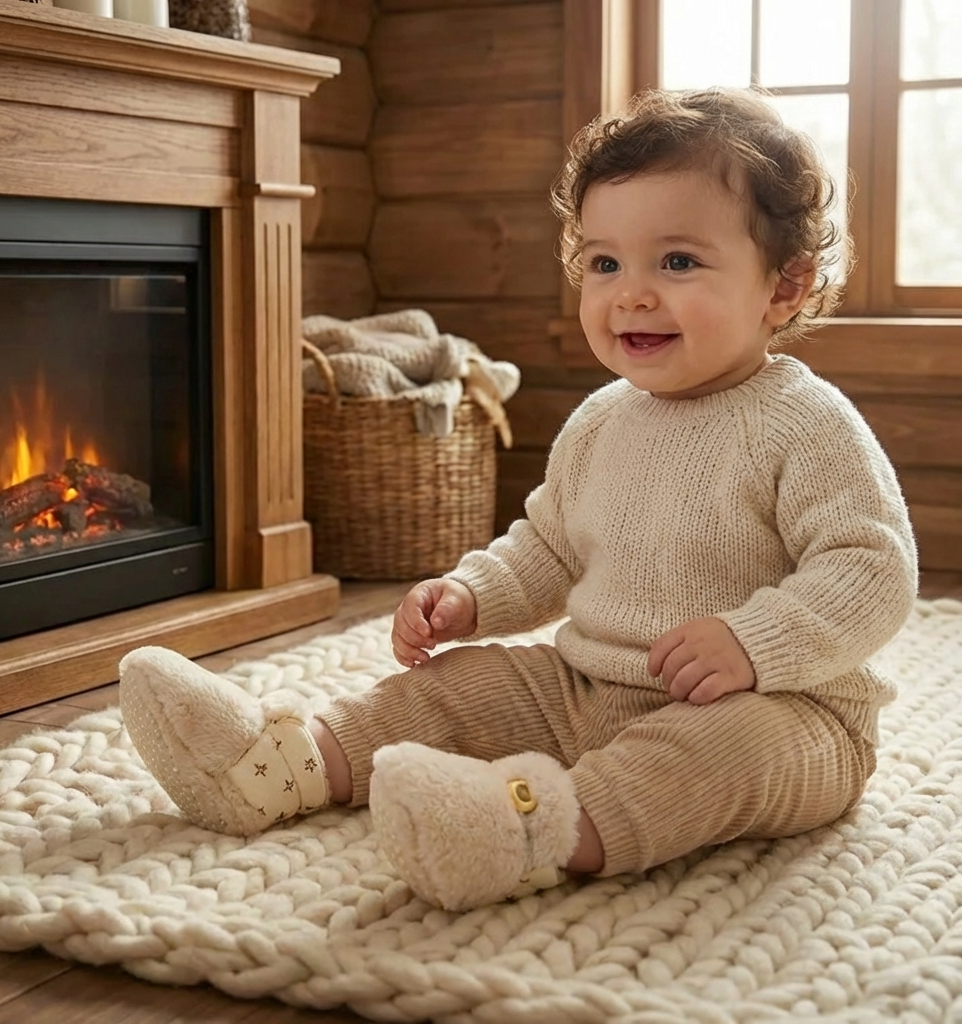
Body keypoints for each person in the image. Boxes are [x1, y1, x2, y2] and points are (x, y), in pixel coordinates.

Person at [119, 88, 918, 913]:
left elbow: (872, 569)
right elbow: (547, 548)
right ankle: (281, 764)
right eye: (605, 263)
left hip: (782, 709)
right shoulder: (602, 420)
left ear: (782, 287)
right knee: (456, 691)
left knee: (713, 759)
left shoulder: (804, 422)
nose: (630, 293)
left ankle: (530, 830)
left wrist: (755, 642)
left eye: (676, 262)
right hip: (586, 685)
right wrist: (472, 594)